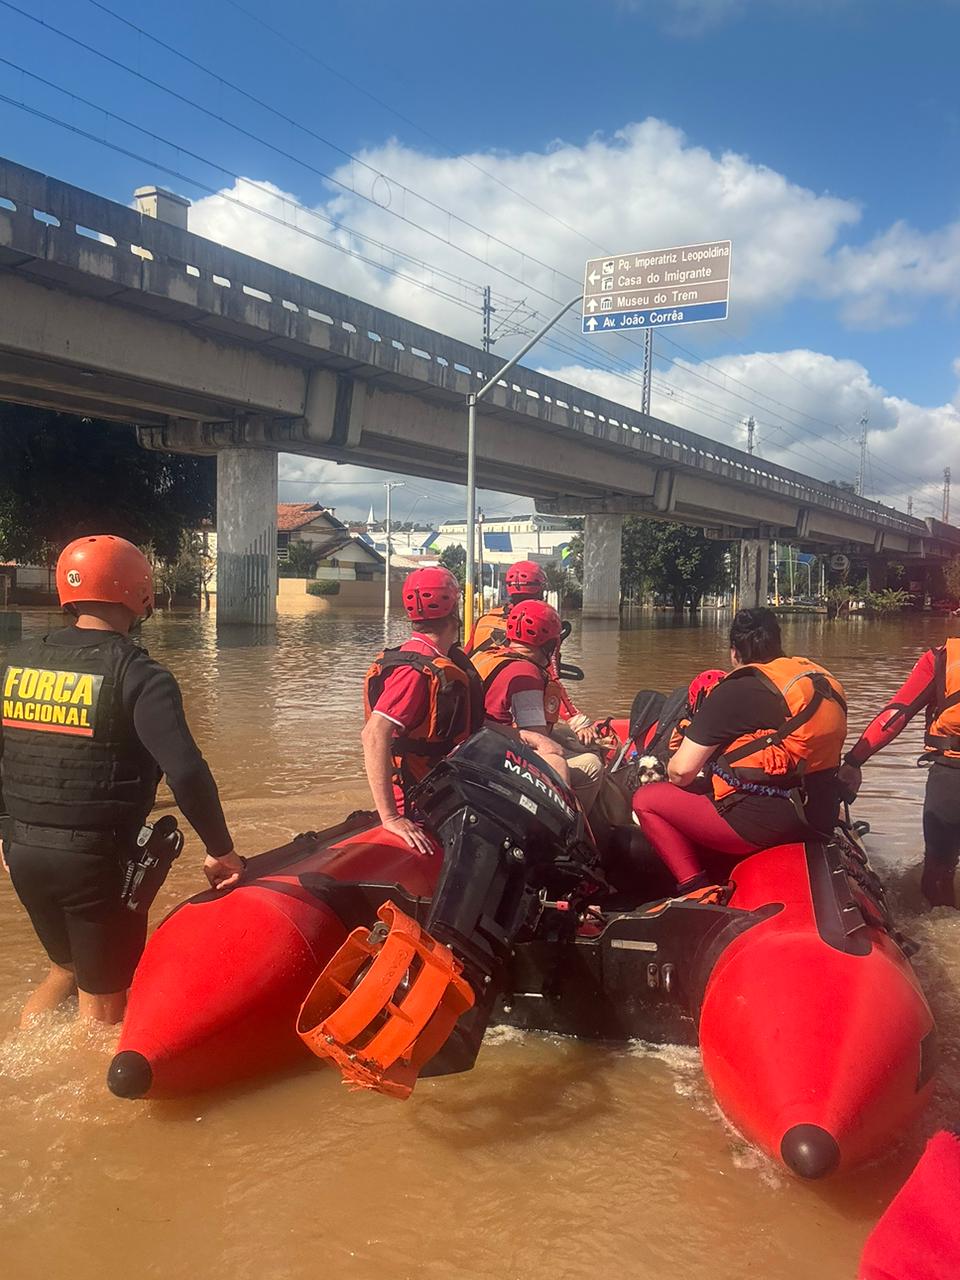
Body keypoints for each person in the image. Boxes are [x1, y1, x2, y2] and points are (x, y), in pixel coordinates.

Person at [0, 535, 242, 1026]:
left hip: (21, 849)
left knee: (63, 972)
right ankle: (88, 1096)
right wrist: (221, 849)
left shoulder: (14, 661)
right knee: (104, 1001)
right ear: (139, 592)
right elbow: (186, 771)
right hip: (94, 861)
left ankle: (22, 1059)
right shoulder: (140, 674)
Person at [632, 609, 847, 892]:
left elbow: (680, 772)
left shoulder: (736, 689)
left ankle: (696, 889)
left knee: (647, 799)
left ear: (734, 653)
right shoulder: (819, 680)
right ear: (779, 645)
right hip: (821, 816)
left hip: (767, 824)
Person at [362, 566, 484, 855]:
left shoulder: (437, 657)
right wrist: (391, 818)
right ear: (455, 610)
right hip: (420, 802)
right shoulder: (415, 671)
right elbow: (374, 734)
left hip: (441, 786)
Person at [837, 637, 960, 907]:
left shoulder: (942, 658)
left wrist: (854, 761)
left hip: (953, 778)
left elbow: (896, 716)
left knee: (939, 875)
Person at [470, 599, 604, 814]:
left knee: (566, 736)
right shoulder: (527, 675)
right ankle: (580, 827)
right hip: (500, 757)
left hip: (480, 745)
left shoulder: (487, 655)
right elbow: (539, 741)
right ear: (551, 644)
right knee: (592, 765)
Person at [466, 558, 589, 732]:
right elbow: (551, 677)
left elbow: (465, 661)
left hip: (479, 712)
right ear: (540, 590)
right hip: (518, 716)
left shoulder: (484, 620)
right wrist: (576, 718)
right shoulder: (543, 624)